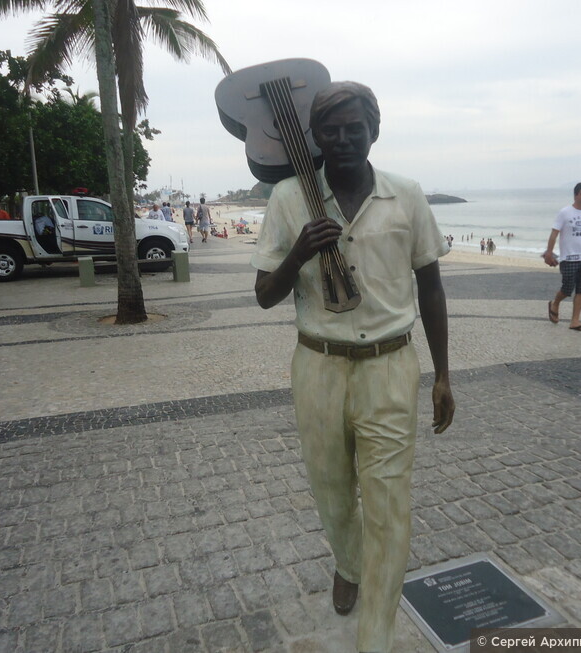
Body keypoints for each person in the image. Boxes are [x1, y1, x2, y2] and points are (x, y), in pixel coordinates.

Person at [251, 81, 454, 653]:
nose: (342, 139)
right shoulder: (290, 198)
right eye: (331, 130)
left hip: (390, 365)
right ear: (313, 137)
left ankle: (376, 636)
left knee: (389, 503)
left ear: (374, 131)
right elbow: (265, 294)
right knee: (333, 493)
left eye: (354, 128)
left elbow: (431, 287)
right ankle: (347, 560)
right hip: (317, 366)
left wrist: (442, 375)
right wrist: (300, 252)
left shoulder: (407, 196)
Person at [543, 182, 581, 331]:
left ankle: (575, 321)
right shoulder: (565, 212)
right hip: (568, 258)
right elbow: (554, 233)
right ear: (576, 195)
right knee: (567, 288)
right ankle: (556, 303)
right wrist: (549, 252)